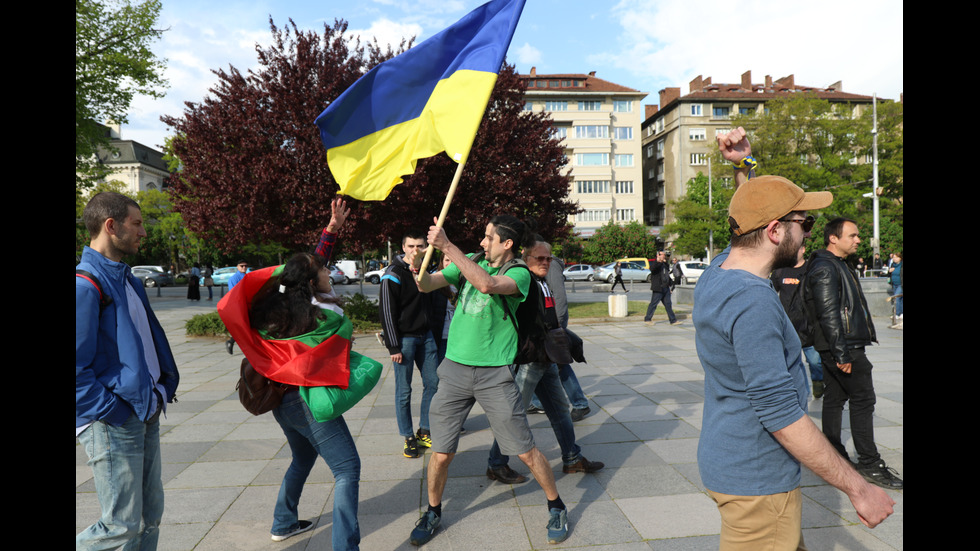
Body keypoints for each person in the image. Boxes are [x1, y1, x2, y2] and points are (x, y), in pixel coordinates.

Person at [694, 128, 894, 549]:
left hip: (731, 460)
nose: (808, 232)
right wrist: (859, 488)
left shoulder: (719, 273)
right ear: (773, 232)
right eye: (805, 223)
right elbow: (781, 415)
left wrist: (745, 169)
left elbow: (742, 223)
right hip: (757, 483)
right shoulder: (753, 303)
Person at [404, 215, 572, 546]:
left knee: (524, 450)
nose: (482, 242)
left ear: (507, 244)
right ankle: (433, 511)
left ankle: (557, 506)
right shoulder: (475, 261)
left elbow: (487, 285)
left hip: (494, 374)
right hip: (453, 372)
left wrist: (448, 245)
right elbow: (429, 284)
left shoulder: (519, 273)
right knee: (440, 452)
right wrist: (417, 269)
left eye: (488, 237)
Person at [224, 197, 371, 547]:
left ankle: (284, 521)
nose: (328, 272)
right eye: (323, 271)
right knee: (347, 469)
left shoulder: (272, 307)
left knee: (303, 457)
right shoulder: (319, 318)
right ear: (309, 282)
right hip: (306, 401)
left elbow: (296, 270)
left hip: (280, 401)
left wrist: (331, 231)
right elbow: (340, 327)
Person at [76, 191, 181, 550]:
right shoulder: (85, 284)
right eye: (136, 224)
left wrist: (161, 389)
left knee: (149, 518)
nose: (144, 232)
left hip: (144, 410)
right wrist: (114, 410)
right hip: (113, 420)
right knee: (120, 525)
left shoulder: (128, 279)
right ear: (111, 225)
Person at [485, 239, 603, 483]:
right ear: (525, 259)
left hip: (546, 357)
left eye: (549, 258)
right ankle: (496, 463)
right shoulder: (523, 282)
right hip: (529, 358)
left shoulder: (543, 280)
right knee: (515, 413)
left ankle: (572, 457)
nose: (546, 262)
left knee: (560, 410)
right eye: (540, 258)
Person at [804, 218, 904, 490]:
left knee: (834, 399)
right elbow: (828, 313)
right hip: (843, 346)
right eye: (853, 235)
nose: (858, 240)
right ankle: (871, 464)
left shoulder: (836, 264)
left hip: (836, 345)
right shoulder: (826, 267)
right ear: (833, 239)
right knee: (863, 400)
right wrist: (842, 353)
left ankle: (834, 456)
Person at [379, 231, 440, 458]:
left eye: (420, 246)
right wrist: (393, 346)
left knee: (433, 384)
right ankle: (408, 437)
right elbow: (387, 311)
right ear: (403, 247)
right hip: (404, 340)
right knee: (404, 391)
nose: (416, 250)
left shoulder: (427, 270)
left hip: (427, 337)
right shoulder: (392, 274)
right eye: (411, 246)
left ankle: (425, 429)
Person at [528, 253, 591, 421]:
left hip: (552, 326)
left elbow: (560, 298)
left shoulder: (550, 264)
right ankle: (537, 402)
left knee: (560, 364)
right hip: (540, 327)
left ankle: (580, 403)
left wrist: (557, 327)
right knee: (539, 363)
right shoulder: (532, 263)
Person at [770, 245, 825, 399]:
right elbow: (771, 292)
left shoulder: (811, 269)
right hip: (787, 326)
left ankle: (818, 381)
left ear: (803, 249)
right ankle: (800, 394)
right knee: (792, 364)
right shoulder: (780, 271)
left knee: (815, 362)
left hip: (809, 326)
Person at [643, 250, 679, 325]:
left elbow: (666, 273)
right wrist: (659, 262)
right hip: (658, 288)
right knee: (653, 304)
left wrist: (671, 283)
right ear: (658, 255)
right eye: (662, 255)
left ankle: (673, 320)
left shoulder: (664, 264)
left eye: (664, 255)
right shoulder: (655, 263)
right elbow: (653, 269)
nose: (664, 256)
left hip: (665, 288)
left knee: (668, 304)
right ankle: (647, 319)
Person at [225, 260, 248, 355]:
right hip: (239, 306)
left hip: (248, 304)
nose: (244, 267)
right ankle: (231, 341)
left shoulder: (248, 276)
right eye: (241, 266)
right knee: (243, 327)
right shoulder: (233, 279)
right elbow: (233, 293)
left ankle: (232, 341)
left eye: (245, 266)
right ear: (237, 267)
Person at [887, 252, 903, 320]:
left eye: (896, 257)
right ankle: (901, 313)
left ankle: (897, 313)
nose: (894, 259)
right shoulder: (893, 265)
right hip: (894, 284)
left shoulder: (901, 265)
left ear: (900, 258)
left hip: (901, 284)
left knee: (896, 297)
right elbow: (888, 275)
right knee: (900, 299)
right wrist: (889, 271)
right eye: (893, 257)